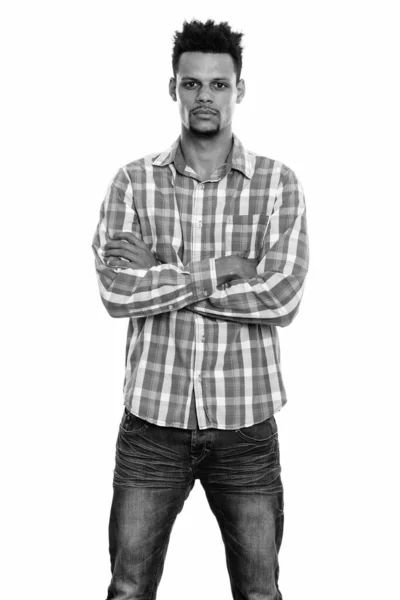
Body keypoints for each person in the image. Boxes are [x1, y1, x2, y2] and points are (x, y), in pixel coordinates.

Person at [92, 18, 309, 600]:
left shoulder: (278, 185)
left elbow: (281, 297)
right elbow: (117, 294)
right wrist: (226, 269)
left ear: (240, 90)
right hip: (151, 424)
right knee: (128, 589)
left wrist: (159, 270)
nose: (204, 96)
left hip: (246, 424)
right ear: (173, 89)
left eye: (218, 84)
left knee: (260, 592)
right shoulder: (132, 183)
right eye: (192, 84)